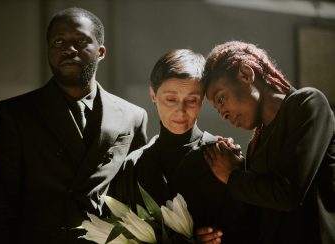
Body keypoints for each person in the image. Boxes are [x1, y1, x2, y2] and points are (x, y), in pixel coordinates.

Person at [0, 7, 148, 244]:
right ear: (49, 51)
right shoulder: (16, 113)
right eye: (59, 41)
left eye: (80, 41)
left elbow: (139, 201)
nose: (69, 49)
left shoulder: (133, 116)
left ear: (101, 52)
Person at [109, 49, 255, 244]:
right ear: (153, 94)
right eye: (171, 99)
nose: (181, 110)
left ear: (202, 99)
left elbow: (250, 230)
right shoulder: (132, 166)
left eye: (192, 100)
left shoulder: (224, 157)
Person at [202, 40, 335, 244]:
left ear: (246, 74)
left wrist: (233, 175)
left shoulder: (308, 104)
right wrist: (214, 235)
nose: (223, 114)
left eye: (221, 100)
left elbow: (287, 194)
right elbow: (259, 220)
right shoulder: (256, 145)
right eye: (217, 109)